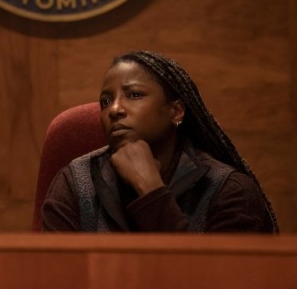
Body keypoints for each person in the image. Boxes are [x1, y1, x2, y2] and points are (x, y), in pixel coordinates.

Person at [42, 50, 278, 233]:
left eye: (134, 95)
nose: (114, 109)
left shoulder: (229, 190)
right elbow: (54, 275)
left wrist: (151, 192)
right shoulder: (75, 182)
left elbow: (212, 278)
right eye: (105, 101)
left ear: (176, 111)